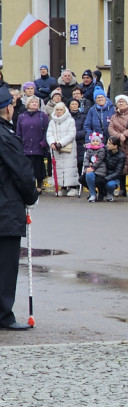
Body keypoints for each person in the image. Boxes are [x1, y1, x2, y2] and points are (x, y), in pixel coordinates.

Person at [0, 86, 40, 330]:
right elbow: (22, 172)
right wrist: (31, 196)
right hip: (4, 210)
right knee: (5, 266)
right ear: (7, 108)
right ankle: (3, 315)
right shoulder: (6, 136)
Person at [107, 94, 128, 198]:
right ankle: (122, 189)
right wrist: (118, 136)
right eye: (119, 102)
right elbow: (110, 128)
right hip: (119, 144)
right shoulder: (114, 116)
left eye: (123, 101)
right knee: (121, 167)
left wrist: (124, 134)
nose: (121, 103)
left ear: (127, 103)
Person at [45, 102, 80, 197]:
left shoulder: (70, 120)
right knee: (59, 169)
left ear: (64, 110)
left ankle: (73, 187)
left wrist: (61, 143)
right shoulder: (52, 122)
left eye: (61, 110)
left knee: (70, 168)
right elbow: (49, 134)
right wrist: (52, 143)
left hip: (68, 148)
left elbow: (71, 134)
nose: (59, 111)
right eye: (57, 109)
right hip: (56, 149)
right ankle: (62, 187)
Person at [16, 95, 49, 190]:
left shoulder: (43, 116)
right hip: (25, 146)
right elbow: (19, 131)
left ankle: (39, 185)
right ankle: (28, 186)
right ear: (27, 104)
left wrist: (44, 142)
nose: (34, 104)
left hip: (38, 146)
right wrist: (19, 143)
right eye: (32, 102)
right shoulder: (22, 116)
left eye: (36, 102)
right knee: (27, 167)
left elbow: (46, 130)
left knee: (38, 166)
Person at [83, 136, 126, 202]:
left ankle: (109, 193)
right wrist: (90, 146)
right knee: (87, 176)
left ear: (115, 146)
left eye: (109, 144)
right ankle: (93, 194)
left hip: (112, 177)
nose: (107, 145)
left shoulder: (121, 156)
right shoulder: (105, 149)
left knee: (110, 185)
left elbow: (118, 172)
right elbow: (95, 152)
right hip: (102, 172)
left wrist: (106, 179)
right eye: (107, 143)